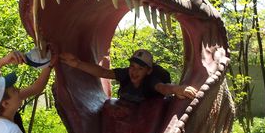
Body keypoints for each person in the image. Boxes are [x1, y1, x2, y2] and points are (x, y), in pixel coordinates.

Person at [60, 49, 197, 104]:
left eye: (140, 68)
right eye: (132, 66)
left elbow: (163, 87)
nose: (134, 72)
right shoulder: (125, 74)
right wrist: (77, 63)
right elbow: (104, 73)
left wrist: (177, 89)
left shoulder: (150, 81)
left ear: (148, 71)